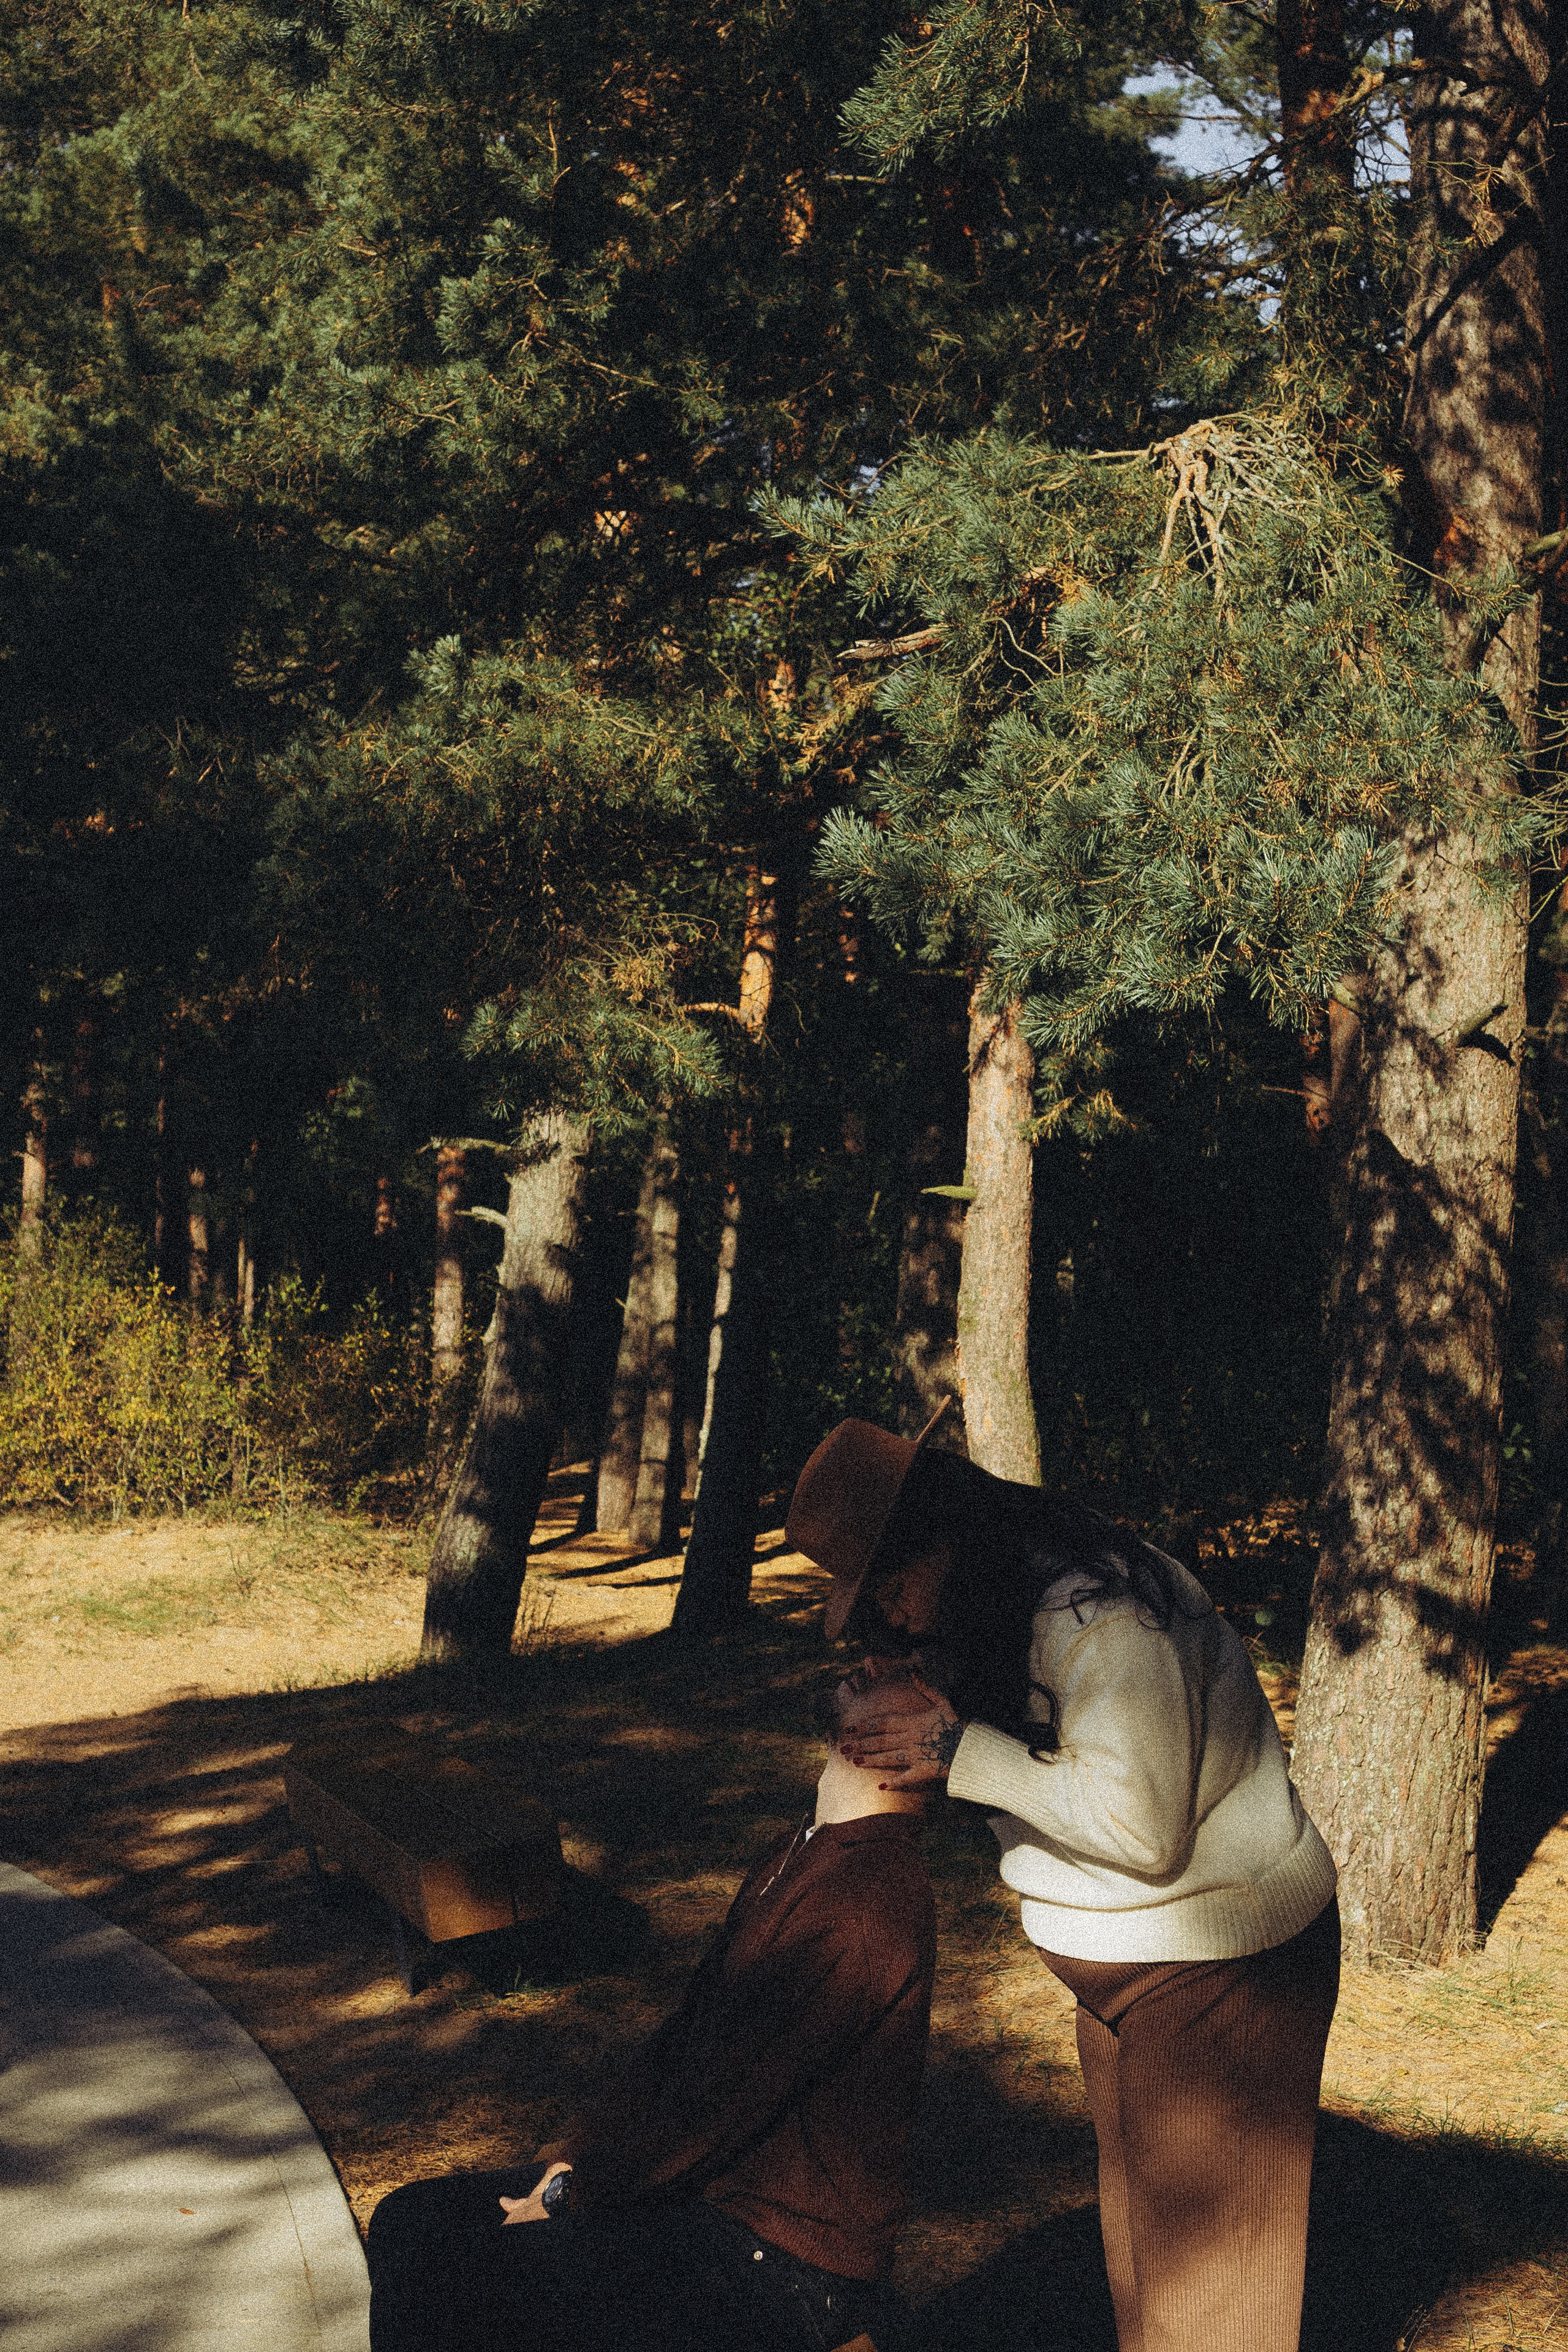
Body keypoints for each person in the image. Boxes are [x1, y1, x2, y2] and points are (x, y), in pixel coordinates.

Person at [785, 1414, 1341, 2352]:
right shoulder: (999, 1613)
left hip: (1220, 1967)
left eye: (895, 1585)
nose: (892, 1615)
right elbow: (1051, 1774)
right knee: (1148, 2283)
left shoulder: (1101, 1617)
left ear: (952, 1538)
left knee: (1215, 2309)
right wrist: (936, 1703)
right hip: (1131, 1973)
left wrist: (959, 1749)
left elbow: (1140, 1827)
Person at [365, 1667, 937, 2352]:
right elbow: (686, 2041)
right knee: (413, 2218)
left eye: (904, 1680)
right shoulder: (802, 1850)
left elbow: (723, 2099)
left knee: (464, 2272)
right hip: (703, 2193)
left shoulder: (867, 1898)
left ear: (894, 1750)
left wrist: (568, 2199)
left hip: (778, 2258)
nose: (870, 1665)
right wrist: (572, 2163)